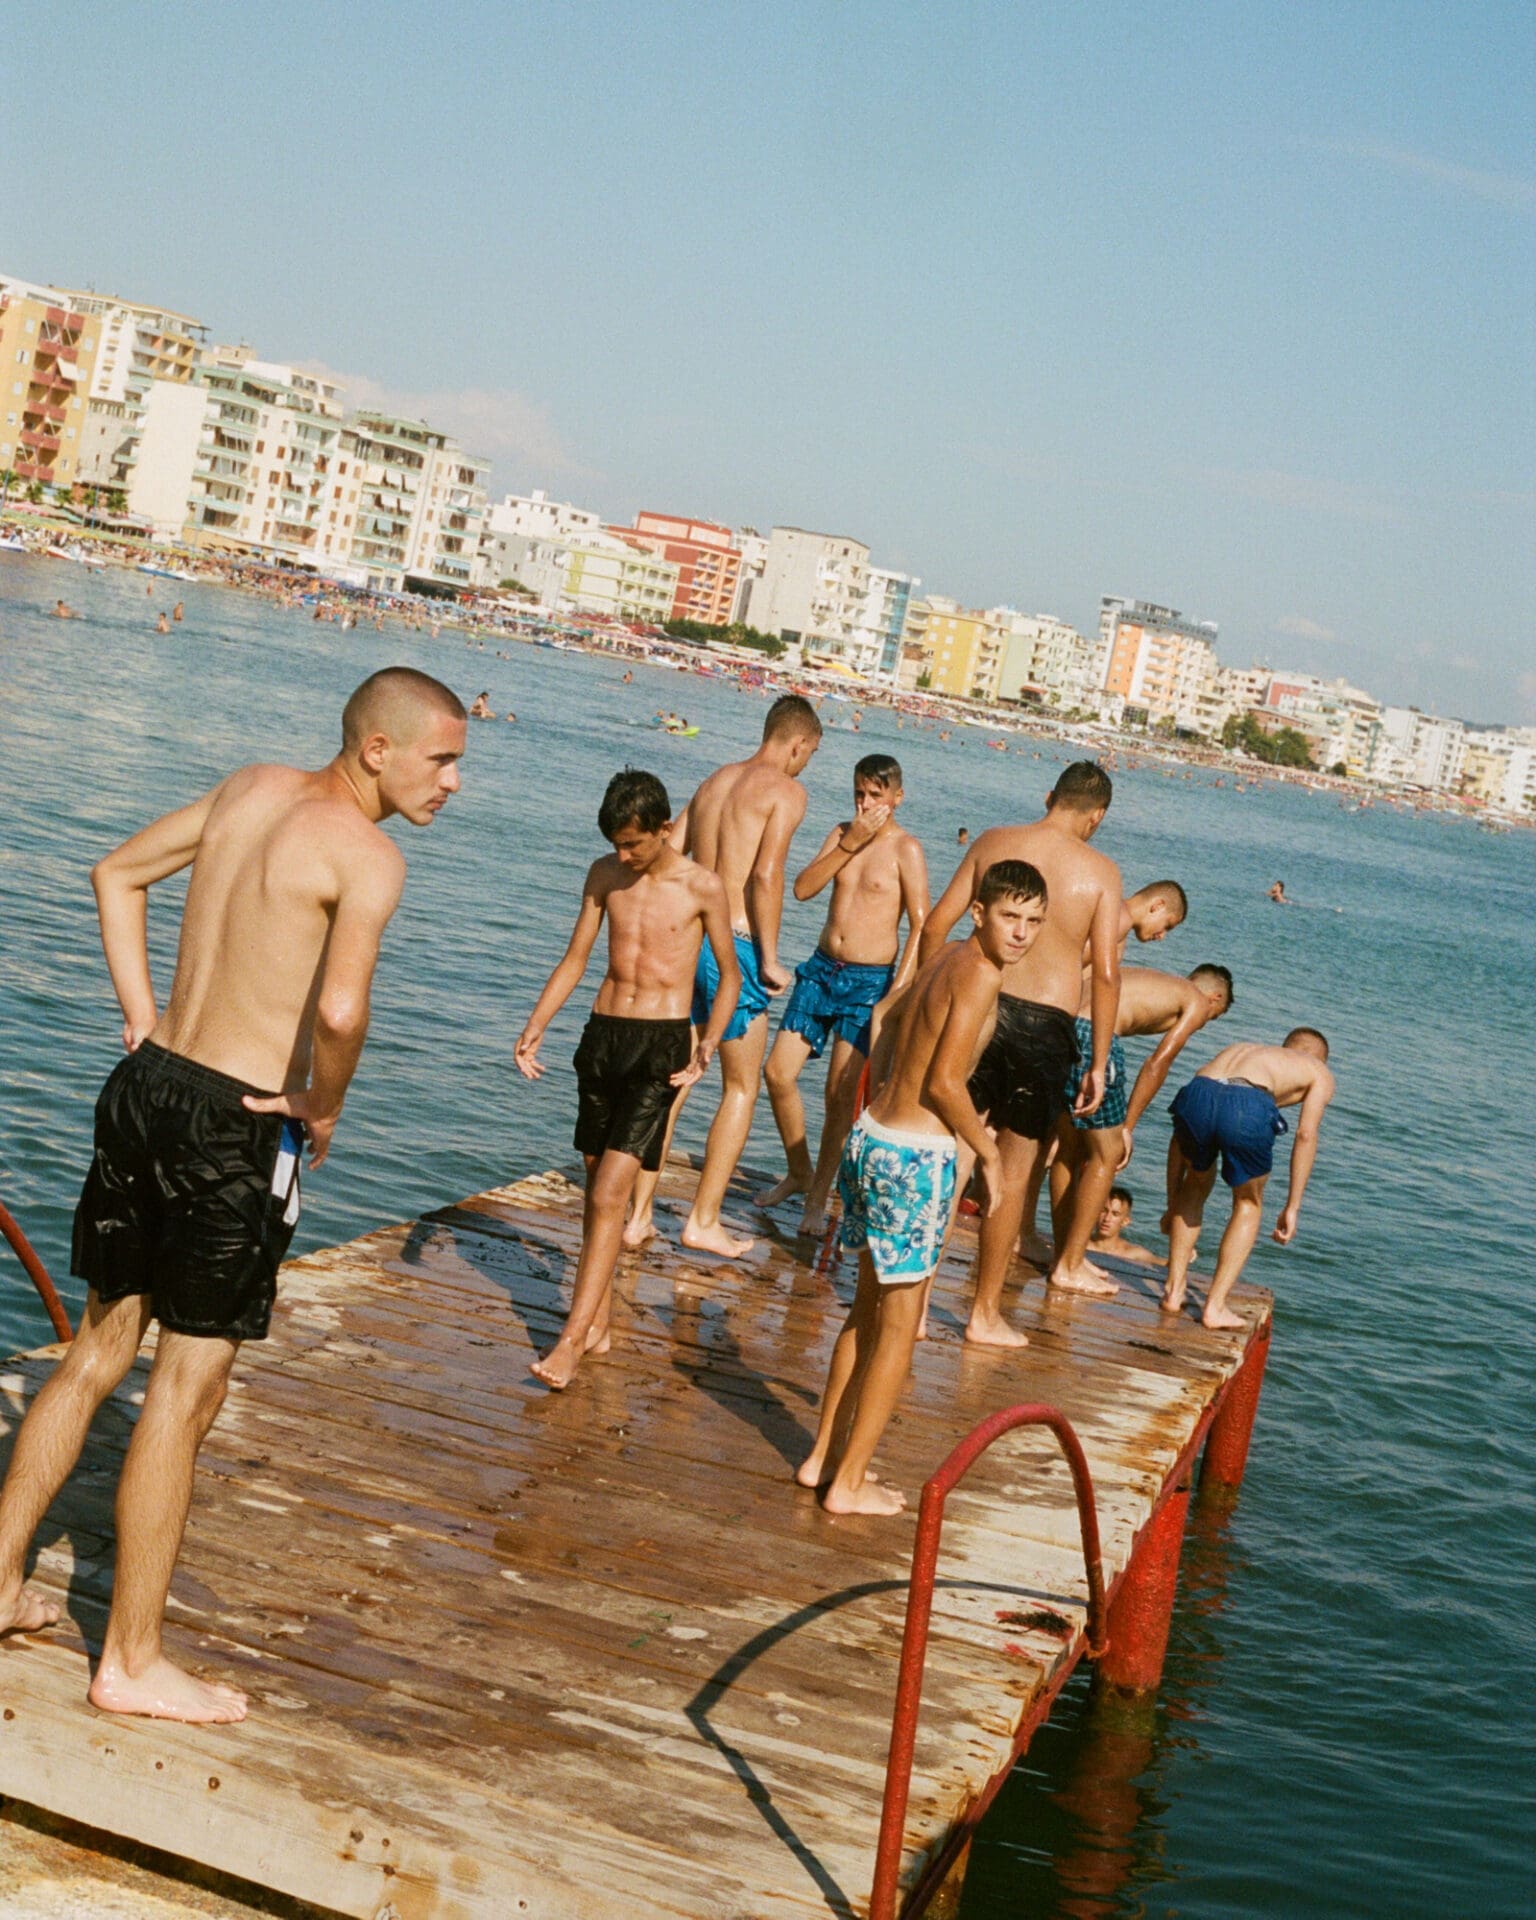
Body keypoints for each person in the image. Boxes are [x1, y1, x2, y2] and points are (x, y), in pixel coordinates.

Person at [0, 667, 466, 1723]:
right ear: (377, 748)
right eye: (443, 759)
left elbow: (115, 874)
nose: (454, 783)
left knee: (92, 1356)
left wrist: (140, 1018)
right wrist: (323, 1102)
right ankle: (130, 1659)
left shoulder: (249, 788)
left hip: (149, 1086)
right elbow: (341, 1010)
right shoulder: (368, 854)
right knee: (184, 1390)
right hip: (238, 1122)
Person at [796, 861, 1047, 1514]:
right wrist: (990, 1157)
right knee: (899, 1329)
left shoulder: (942, 961)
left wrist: (879, 1094)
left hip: (874, 1137)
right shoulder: (981, 976)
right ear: (980, 914)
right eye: (1011, 917)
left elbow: (883, 1014)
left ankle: (823, 1457)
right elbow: (944, 1084)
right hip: (914, 1157)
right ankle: (848, 1484)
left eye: (1034, 922)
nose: (1021, 933)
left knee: (865, 1310)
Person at [514, 770, 738, 1390]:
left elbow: (729, 978)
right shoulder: (604, 875)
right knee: (595, 1187)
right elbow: (576, 958)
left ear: (665, 830)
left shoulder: (703, 887)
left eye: (634, 843)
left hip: (661, 1048)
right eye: (616, 843)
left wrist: (707, 1048)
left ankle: (571, 1340)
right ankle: (602, 1321)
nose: (624, 854)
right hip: (602, 1039)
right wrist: (536, 1025)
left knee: (612, 1191)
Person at [919, 763, 1122, 1345]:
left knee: (955, 1153)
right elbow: (1105, 975)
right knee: (1011, 1167)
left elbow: (937, 926)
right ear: (1097, 817)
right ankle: (983, 1314)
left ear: (1049, 796)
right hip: (1047, 1024)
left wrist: (920, 997)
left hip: (981, 1002)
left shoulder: (993, 843)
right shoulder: (1101, 872)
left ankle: (920, 1299)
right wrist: (1098, 1061)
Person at [625, 693, 822, 1257]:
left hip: (689, 940)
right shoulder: (787, 791)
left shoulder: (715, 780)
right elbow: (766, 874)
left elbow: (672, 849)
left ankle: (638, 1216)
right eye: (809, 753)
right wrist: (769, 955)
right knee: (739, 1085)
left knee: (676, 1080)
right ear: (799, 743)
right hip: (732, 946)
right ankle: (703, 1219)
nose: (805, 762)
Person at [756, 754, 929, 1237]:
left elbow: (921, 923)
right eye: (859, 793)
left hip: (869, 982)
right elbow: (803, 888)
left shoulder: (906, 849)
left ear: (896, 797)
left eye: (876, 795)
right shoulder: (841, 833)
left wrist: (896, 993)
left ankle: (816, 1202)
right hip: (819, 971)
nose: (865, 803)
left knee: (838, 1095)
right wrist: (849, 844)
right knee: (776, 1072)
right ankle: (799, 1169)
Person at [1047, 960, 1232, 1295]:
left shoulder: (1151, 977)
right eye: (1213, 1018)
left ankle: (1065, 1256)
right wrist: (1128, 1127)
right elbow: (1157, 1063)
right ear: (1215, 999)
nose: (1205, 1023)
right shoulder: (1195, 1000)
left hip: (1062, 1024)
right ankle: (1069, 1265)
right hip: (1094, 1037)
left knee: (1068, 1148)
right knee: (1108, 1155)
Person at [1161, 1029, 1335, 1330]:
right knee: (1248, 1203)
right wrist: (1292, 1206)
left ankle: (1174, 1292)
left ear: (1286, 1047)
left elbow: (1177, 1144)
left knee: (1196, 1183)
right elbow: (1306, 1134)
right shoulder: (1318, 1070)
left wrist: (1171, 1203)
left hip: (1197, 1092)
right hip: (1247, 1104)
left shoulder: (1242, 1050)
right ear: (1320, 1058)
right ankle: (1214, 1307)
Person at [1088, 1187, 1164, 1267]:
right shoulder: (1082, 1245)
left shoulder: (1132, 1253)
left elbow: (1164, 1263)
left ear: (1125, 1221)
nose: (1107, 1219)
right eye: (1103, 1211)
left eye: (1115, 1214)